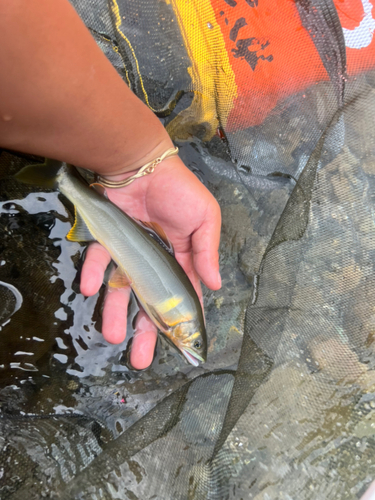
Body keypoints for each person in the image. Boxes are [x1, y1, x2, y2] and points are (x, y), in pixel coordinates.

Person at [0, 0, 221, 370]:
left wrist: (139, 155)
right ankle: (63, 178)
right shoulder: (174, 321)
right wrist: (138, 156)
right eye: (195, 341)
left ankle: (64, 177)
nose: (192, 349)